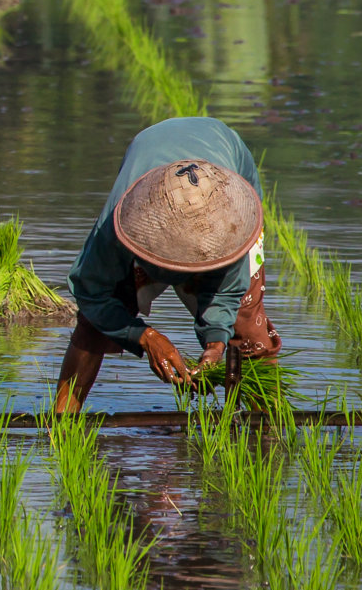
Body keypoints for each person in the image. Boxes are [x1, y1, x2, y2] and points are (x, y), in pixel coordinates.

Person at [55, 116, 279, 413]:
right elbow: (91, 292)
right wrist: (144, 337)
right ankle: (58, 428)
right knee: (93, 326)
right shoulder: (118, 226)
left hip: (222, 161)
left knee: (248, 332)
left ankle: (270, 432)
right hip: (150, 169)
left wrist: (215, 345)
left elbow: (227, 293)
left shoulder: (232, 223)